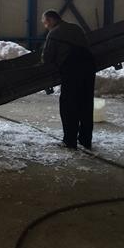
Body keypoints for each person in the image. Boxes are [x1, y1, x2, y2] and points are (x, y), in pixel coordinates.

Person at [41, 10, 95, 150]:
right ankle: (85, 140)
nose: (46, 26)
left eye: (45, 23)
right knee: (86, 104)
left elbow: (47, 57)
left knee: (69, 106)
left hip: (72, 70)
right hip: (88, 68)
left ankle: (69, 141)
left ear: (51, 20)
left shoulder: (54, 33)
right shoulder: (76, 28)